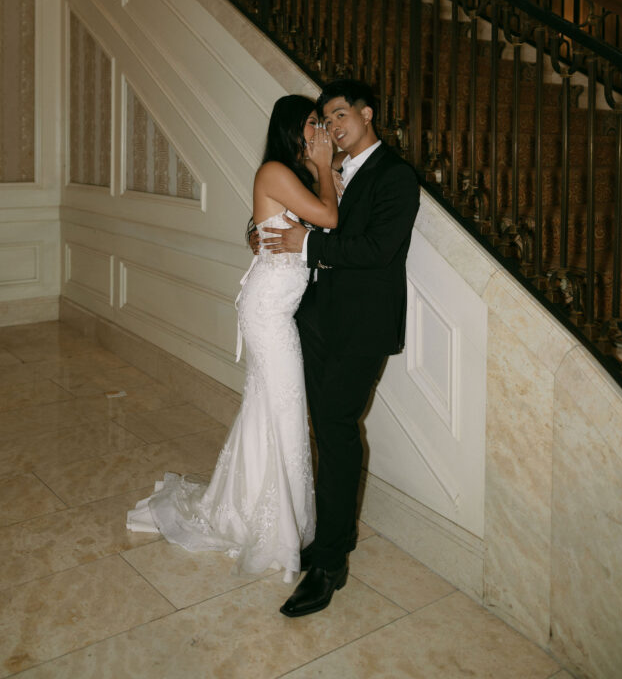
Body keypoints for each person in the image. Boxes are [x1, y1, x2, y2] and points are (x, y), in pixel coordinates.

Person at [127, 95, 338, 581]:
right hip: (267, 311)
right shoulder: (276, 171)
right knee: (283, 405)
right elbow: (329, 220)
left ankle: (258, 507)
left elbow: (314, 223)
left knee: (271, 406)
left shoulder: (293, 175)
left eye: (320, 124)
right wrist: (325, 167)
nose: (317, 132)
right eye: (310, 123)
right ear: (290, 127)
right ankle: (271, 522)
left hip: (278, 308)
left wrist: (322, 170)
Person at [262, 79, 420, 617]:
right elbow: (287, 215)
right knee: (322, 428)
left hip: (362, 327)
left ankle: (330, 561)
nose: (331, 128)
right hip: (315, 319)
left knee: (335, 428)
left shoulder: (396, 176)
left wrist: (307, 243)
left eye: (338, 116)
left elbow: (378, 250)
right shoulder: (327, 170)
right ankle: (331, 540)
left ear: (366, 114)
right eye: (324, 121)